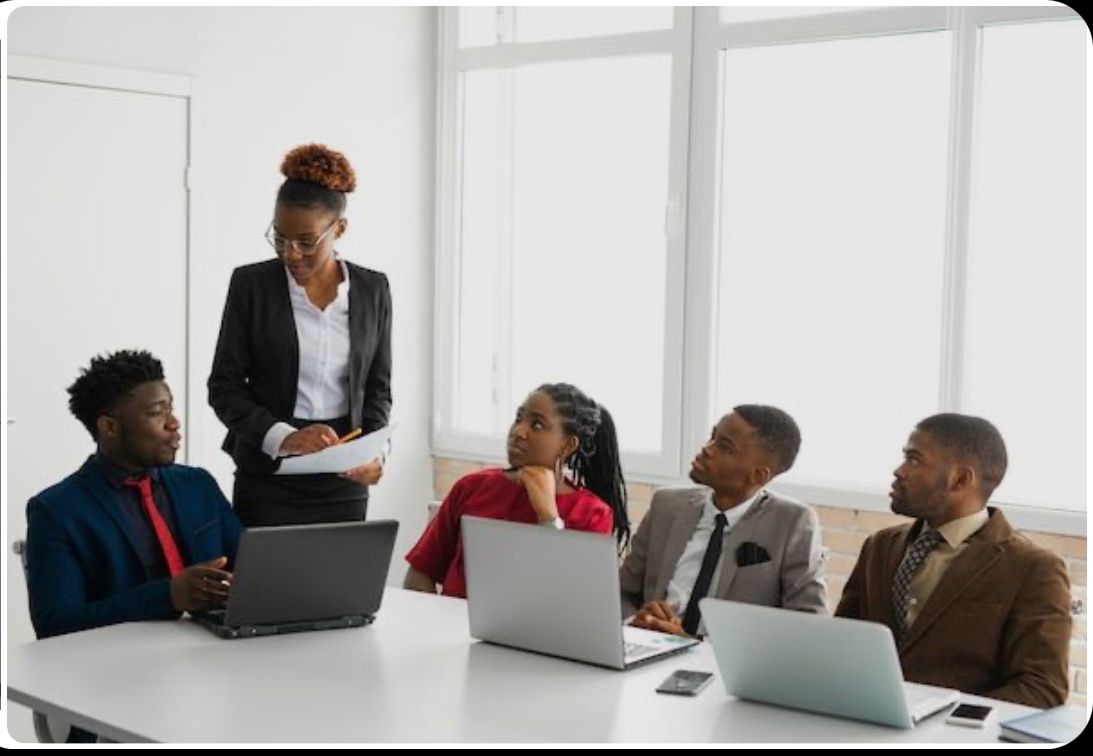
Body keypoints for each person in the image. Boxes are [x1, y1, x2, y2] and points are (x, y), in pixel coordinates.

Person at [208, 144, 392, 527]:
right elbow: (224, 386)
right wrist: (284, 437)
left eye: (306, 242)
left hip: (344, 476)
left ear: (339, 229)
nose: (291, 254)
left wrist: (376, 453)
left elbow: (377, 388)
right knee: (266, 586)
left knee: (340, 585)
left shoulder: (373, 289)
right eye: (279, 238)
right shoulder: (251, 285)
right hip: (268, 473)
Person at [836, 413, 1071, 708]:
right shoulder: (880, 546)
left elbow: (1041, 688)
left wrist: (939, 718)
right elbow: (841, 646)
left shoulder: (1034, 568)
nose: (899, 471)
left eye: (914, 460)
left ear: (961, 479)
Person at [26, 350, 241, 641]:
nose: (174, 423)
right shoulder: (56, 510)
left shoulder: (198, 484)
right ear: (109, 427)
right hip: (121, 669)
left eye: (171, 409)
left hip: (218, 651)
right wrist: (168, 596)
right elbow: (54, 624)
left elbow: (249, 568)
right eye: (156, 413)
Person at [404, 383, 630, 598]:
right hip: (452, 630)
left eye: (537, 425)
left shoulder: (592, 514)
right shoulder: (472, 487)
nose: (518, 431)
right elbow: (419, 574)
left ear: (567, 445)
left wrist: (548, 516)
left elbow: (573, 600)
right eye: (518, 418)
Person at [620, 405, 826, 638]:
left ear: (758, 475)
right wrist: (636, 623)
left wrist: (694, 645)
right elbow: (620, 592)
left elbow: (808, 627)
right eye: (712, 437)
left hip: (723, 667)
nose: (707, 449)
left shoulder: (793, 524)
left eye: (724, 447)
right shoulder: (666, 505)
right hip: (647, 653)